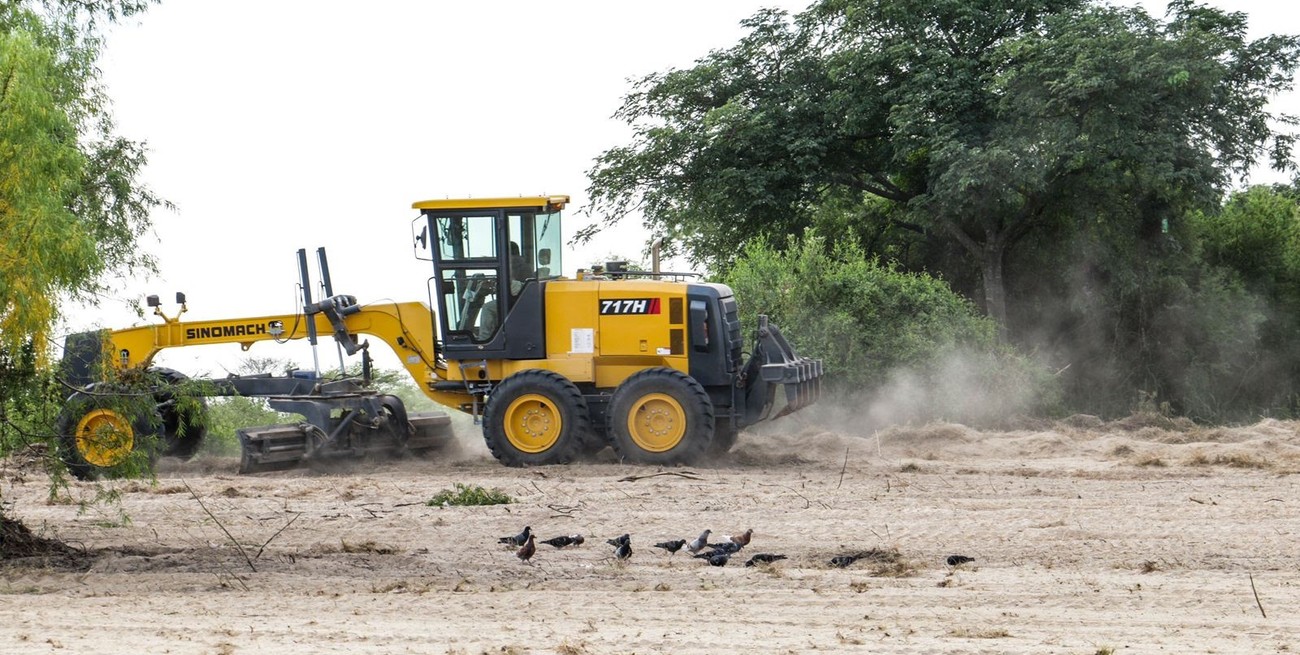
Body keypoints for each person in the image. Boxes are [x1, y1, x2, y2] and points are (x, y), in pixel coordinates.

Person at [476, 252, 531, 341]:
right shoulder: (521, 264)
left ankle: (484, 339)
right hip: (519, 295)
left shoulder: (516, 263)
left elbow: (510, 283)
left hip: (517, 298)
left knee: (487, 308)